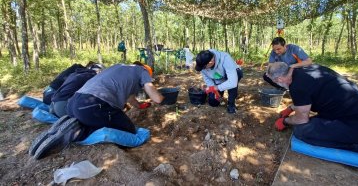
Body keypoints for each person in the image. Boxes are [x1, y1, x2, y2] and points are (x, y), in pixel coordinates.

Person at [30, 62, 164, 159]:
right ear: (145, 70)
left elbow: (130, 99)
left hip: (74, 104)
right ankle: (77, 134)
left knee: (95, 119)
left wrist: (140, 106)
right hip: (93, 105)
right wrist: (161, 97)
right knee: (130, 129)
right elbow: (156, 97)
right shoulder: (142, 71)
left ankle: (72, 128)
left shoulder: (119, 67)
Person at [267, 62, 358, 159]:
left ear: (279, 79)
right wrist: (291, 108)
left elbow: (301, 119)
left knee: (302, 131)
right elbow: (309, 99)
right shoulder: (309, 70)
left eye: (274, 82)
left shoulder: (297, 86)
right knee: (314, 122)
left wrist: (285, 121)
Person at [195, 49, 243, 114]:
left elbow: (232, 82)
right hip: (218, 80)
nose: (203, 69)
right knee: (213, 102)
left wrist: (215, 88)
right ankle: (220, 93)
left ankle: (231, 103)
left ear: (211, 62)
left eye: (204, 67)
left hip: (231, 76)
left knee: (235, 80)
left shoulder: (225, 58)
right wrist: (215, 91)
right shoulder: (202, 62)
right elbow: (207, 79)